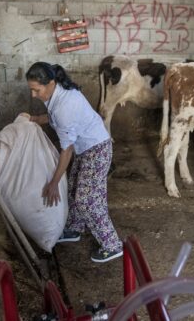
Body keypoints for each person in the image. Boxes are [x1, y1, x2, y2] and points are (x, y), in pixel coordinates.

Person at [21, 62, 123, 263]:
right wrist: (33, 119)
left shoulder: (64, 105)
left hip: (97, 149)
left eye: (36, 90)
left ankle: (112, 244)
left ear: (50, 83)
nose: (34, 95)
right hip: (85, 147)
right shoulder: (58, 94)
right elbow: (52, 118)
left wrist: (53, 183)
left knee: (87, 200)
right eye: (31, 90)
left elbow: (66, 151)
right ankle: (75, 229)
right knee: (75, 187)